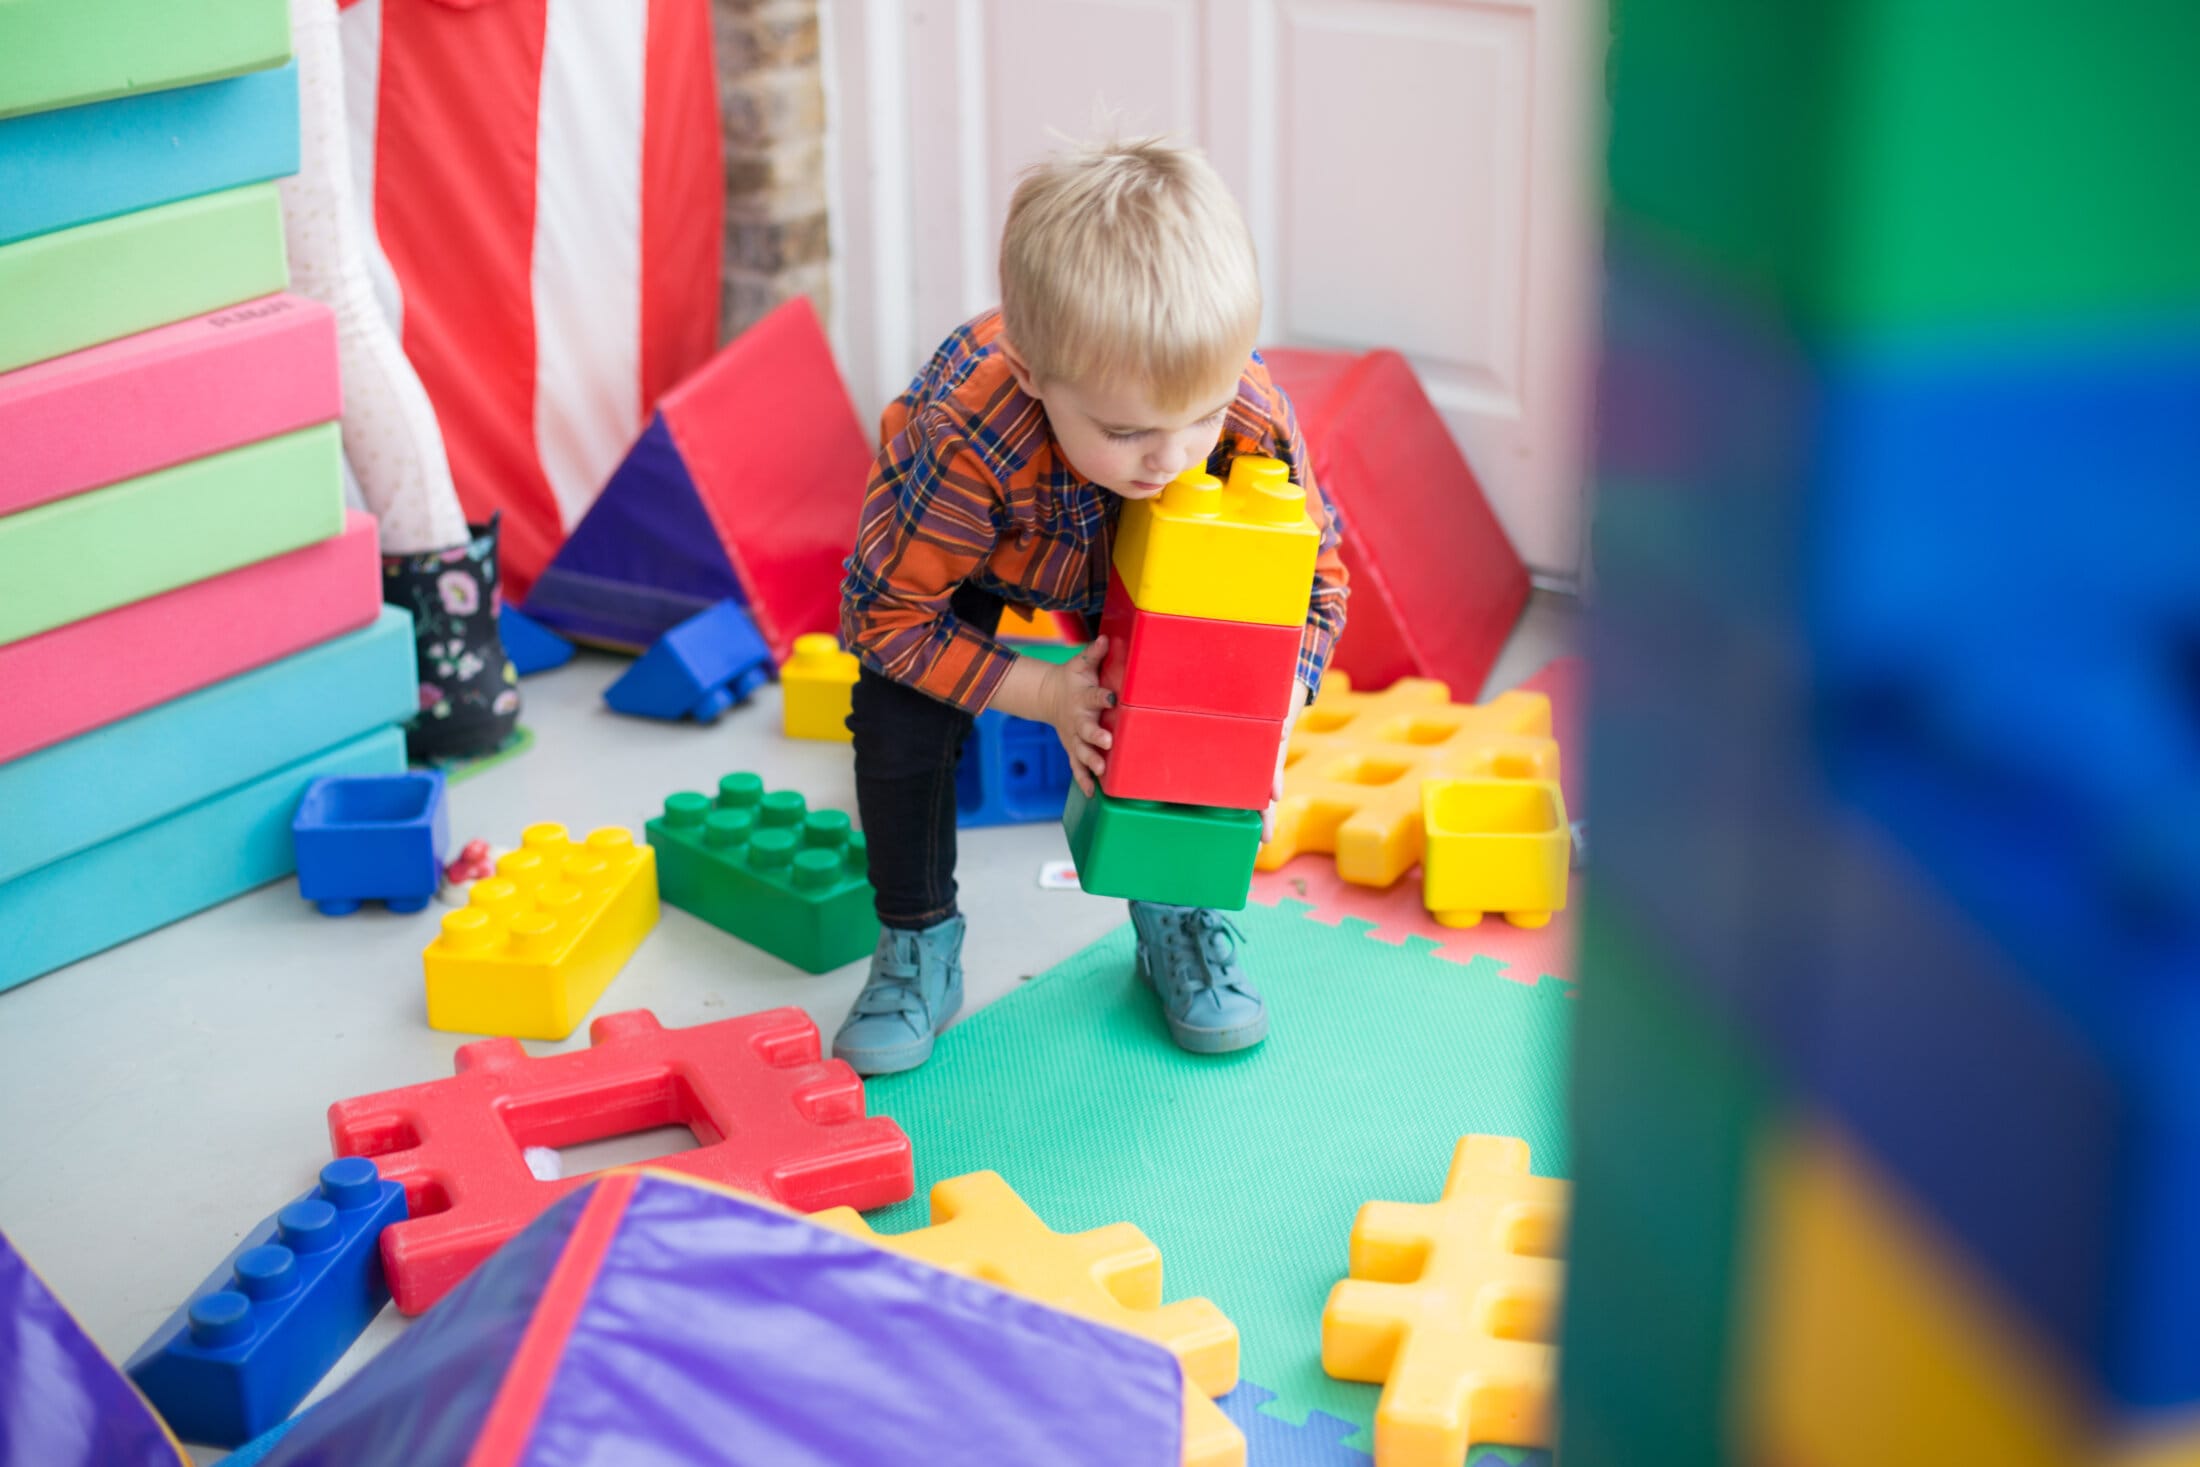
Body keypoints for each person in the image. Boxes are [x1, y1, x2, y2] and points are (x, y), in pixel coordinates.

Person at [834, 134, 1349, 1075]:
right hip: (1001, 552)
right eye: (1127, 430)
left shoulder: (1243, 420)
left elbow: (1317, 585)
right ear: (1033, 374)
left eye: (1200, 412)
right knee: (899, 716)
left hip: (1181, 567)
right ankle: (917, 941)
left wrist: (1265, 720)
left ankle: (1178, 914)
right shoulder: (968, 436)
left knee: (1206, 688)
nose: (1172, 457)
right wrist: (1045, 691)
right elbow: (886, 616)